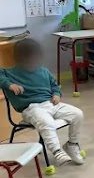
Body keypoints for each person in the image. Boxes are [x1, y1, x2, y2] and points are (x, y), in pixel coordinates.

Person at [0, 38, 85, 166]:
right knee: (46, 121)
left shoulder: (44, 71)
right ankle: (56, 151)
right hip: (31, 108)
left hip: (50, 104)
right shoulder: (10, 72)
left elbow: (55, 86)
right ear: (20, 58)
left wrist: (56, 94)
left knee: (77, 114)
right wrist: (9, 84)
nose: (32, 61)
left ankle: (72, 144)